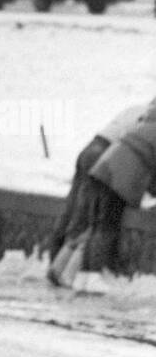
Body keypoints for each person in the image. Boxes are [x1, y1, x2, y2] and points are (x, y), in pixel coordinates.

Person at [47, 102, 148, 288]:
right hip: (107, 157)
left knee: (75, 213)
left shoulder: (137, 109)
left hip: (91, 150)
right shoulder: (146, 116)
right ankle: (76, 276)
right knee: (97, 223)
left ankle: (56, 265)